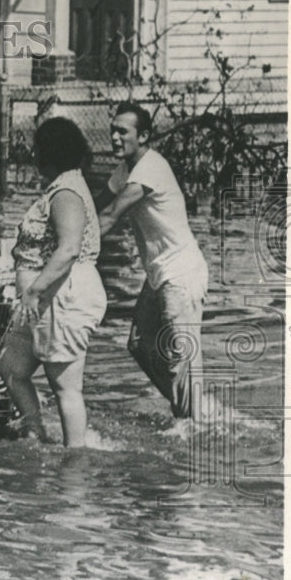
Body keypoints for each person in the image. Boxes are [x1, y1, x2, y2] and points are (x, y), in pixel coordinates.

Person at [94, 102, 208, 420]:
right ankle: (193, 412)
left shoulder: (150, 168)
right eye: (112, 130)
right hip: (159, 273)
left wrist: (66, 250)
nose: (114, 137)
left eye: (122, 131)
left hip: (181, 274)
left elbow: (109, 215)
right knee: (140, 345)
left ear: (143, 136)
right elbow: (95, 204)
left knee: (181, 357)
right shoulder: (125, 169)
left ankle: (194, 426)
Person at [0, 117, 107, 448]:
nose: (32, 156)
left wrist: (33, 289)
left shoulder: (67, 192)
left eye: (36, 149)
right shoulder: (61, 186)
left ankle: (75, 459)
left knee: (66, 386)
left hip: (62, 295)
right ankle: (35, 432)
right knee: (12, 367)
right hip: (43, 298)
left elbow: (70, 248)